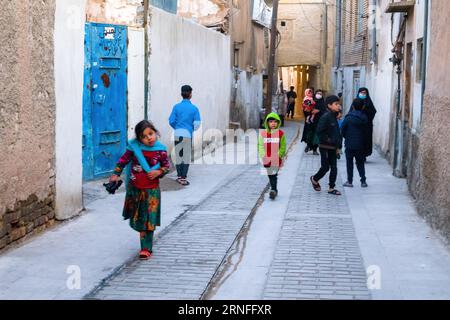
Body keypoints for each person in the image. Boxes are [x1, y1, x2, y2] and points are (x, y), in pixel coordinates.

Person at [109, 120, 171, 260]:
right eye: (144, 136)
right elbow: (123, 161)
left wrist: (159, 172)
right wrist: (115, 174)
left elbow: (166, 166)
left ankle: (146, 248)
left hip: (152, 191)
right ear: (139, 138)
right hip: (136, 189)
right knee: (139, 218)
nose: (149, 138)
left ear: (155, 133)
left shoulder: (161, 149)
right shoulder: (134, 148)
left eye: (151, 133)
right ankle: (144, 243)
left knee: (149, 219)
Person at [310, 95, 343, 196]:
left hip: (333, 147)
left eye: (339, 104)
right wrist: (329, 140)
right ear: (329, 105)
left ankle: (331, 187)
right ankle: (314, 178)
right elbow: (319, 131)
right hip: (325, 147)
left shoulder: (333, 116)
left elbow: (336, 132)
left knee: (334, 167)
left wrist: (338, 146)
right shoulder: (326, 116)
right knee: (325, 167)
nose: (338, 106)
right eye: (336, 104)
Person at [169, 85, 201, 186]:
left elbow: (171, 121)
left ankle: (179, 176)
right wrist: (190, 128)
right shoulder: (194, 108)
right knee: (186, 156)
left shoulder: (176, 107)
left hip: (178, 133)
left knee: (179, 155)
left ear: (181, 94)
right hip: (188, 134)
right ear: (190, 94)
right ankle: (183, 178)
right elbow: (197, 124)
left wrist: (177, 127)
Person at [341, 98, 369, 188]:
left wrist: (347, 137)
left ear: (352, 106)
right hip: (360, 144)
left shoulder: (348, 117)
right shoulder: (364, 118)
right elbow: (366, 132)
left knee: (349, 163)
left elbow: (343, 130)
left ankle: (350, 181)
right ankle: (363, 181)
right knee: (360, 163)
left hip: (349, 144)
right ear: (363, 107)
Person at [258, 112, 287, 200]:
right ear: (267, 123)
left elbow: (283, 146)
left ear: (278, 123)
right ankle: (274, 189)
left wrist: (279, 155)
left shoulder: (281, 134)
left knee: (273, 173)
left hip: (276, 158)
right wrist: (263, 155)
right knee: (270, 174)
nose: (273, 123)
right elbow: (260, 145)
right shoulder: (263, 134)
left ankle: (273, 190)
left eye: (275, 122)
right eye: (271, 122)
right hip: (266, 158)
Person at [357, 88, 377, 159]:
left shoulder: (368, 102)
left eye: (364, 93)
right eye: (361, 92)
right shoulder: (356, 102)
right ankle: (358, 155)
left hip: (367, 126)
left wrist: (366, 112)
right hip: (357, 126)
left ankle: (364, 155)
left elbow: (373, 111)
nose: (363, 94)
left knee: (366, 140)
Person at [301, 88, 318, 154]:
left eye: (311, 93)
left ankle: (314, 149)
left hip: (315, 121)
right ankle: (309, 146)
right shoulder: (306, 99)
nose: (311, 94)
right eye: (309, 93)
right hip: (309, 120)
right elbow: (306, 109)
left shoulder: (313, 99)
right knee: (309, 133)